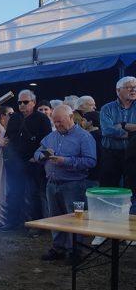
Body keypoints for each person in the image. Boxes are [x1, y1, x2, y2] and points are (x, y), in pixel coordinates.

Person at [34, 105, 96, 261]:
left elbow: (91, 161)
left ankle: (74, 250)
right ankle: (58, 248)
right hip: (53, 182)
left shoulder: (84, 137)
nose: (57, 125)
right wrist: (43, 156)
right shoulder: (51, 136)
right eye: (55, 122)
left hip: (73, 184)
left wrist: (65, 161)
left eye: (60, 121)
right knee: (55, 217)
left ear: (70, 118)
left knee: (75, 219)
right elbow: (37, 153)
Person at [1, 89, 52, 231]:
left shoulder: (42, 119)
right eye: (20, 102)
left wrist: (36, 157)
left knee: (34, 193)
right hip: (15, 162)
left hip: (33, 162)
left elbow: (47, 141)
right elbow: (8, 138)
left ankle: (36, 225)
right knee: (14, 192)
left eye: (25, 102)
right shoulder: (15, 118)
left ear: (33, 103)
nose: (22, 105)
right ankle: (13, 221)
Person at [100, 76, 136, 189]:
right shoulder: (107, 108)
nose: (134, 90)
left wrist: (123, 125)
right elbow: (107, 130)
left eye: (135, 87)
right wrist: (132, 134)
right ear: (118, 90)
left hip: (133, 155)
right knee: (108, 188)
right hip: (111, 155)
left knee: (132, 190)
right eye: (129, 87)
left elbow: (112, 130)